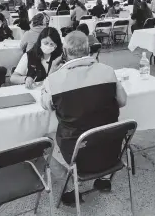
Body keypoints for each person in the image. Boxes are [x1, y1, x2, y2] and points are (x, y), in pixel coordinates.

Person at [41, 31, 127, 203]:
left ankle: (71, 188)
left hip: (76, 153)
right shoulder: (108, 72)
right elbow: (122, 101)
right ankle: (103, 179)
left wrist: (51, 74)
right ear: (88, 49)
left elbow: (46, 105)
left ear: (64, 52)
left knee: (45, 139)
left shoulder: (54, 80)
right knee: (103, 125)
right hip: (111, 151)